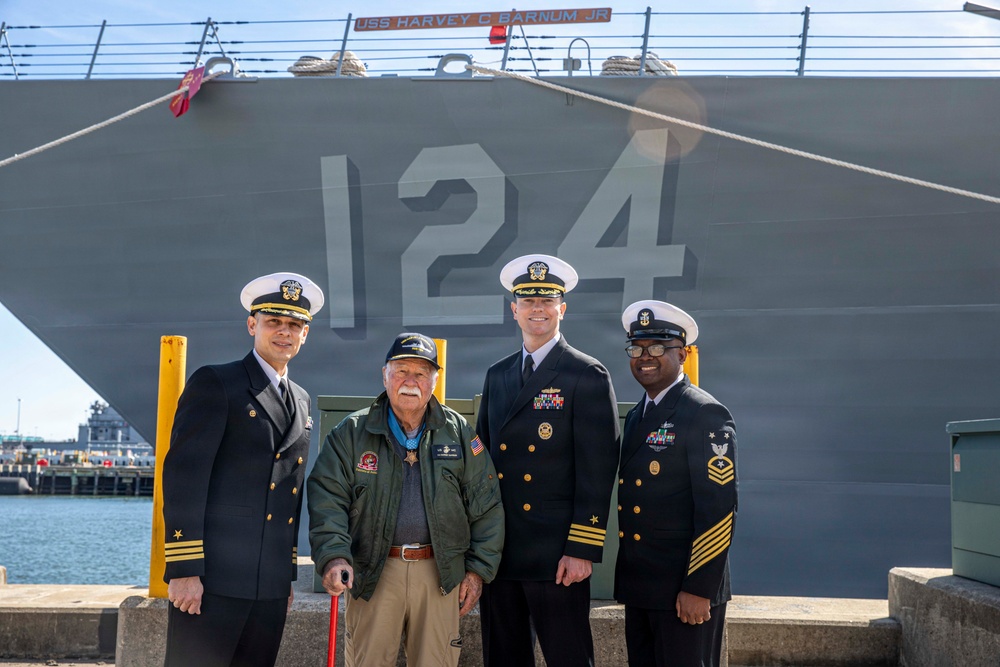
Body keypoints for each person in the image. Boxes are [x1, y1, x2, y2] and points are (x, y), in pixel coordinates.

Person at [307, 332, 504, 667]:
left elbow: (487, 505)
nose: (410, 382)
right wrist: (334, 557)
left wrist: (476, 572)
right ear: (384, 376)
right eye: (401, 371)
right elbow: (328, 501)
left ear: (434, 381)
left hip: (440, 575)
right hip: (372, 572)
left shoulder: (458, 432)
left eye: (421, 373)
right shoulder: (351, 433)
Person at [161, 271, 324, 667]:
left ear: (305, 334)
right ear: (252, 325)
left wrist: (283, 576)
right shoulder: (217, 383)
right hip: (212, 580)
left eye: (294, 325)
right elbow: (184, 478)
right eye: (273, 322)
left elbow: (289, 494)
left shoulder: (301, 399)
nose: (284, 332)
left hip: (268, 586)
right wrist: (184, 570)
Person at [476, 254, 620, 667]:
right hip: (502, 551)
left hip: (557, 555)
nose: (537, 308)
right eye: (528, 300)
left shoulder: (586, 374)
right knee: (503, 658)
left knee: (568, 658)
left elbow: (597, 471)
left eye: (547, 300)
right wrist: (479, 546)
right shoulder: (498, 374)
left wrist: (582, 548)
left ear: (562, 308)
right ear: (514, 309)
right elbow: (482, 465)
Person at [614, 300, 738, 667]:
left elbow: (719, 510)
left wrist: (699, 588)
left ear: (682, 354)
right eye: (636, 348)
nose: (645, 357)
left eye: (657, 348)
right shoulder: (637, 415)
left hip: (684, 590)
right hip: (642, 588)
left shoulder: (704, 413)